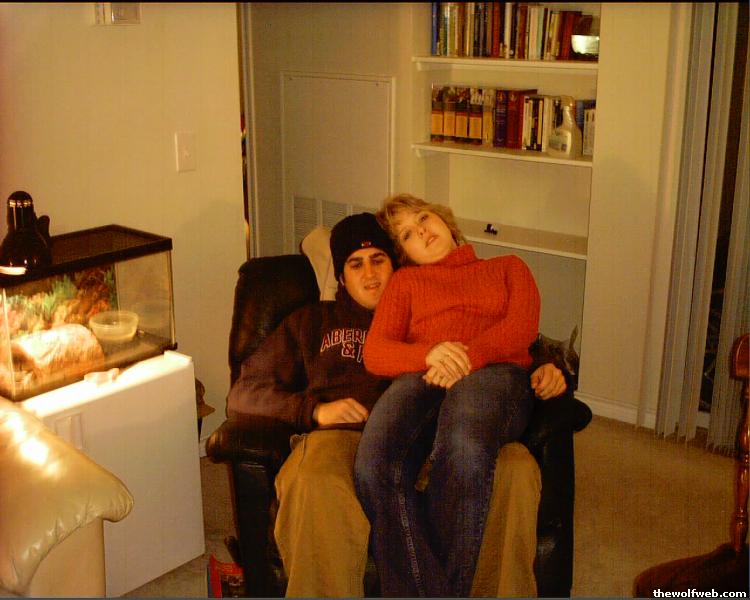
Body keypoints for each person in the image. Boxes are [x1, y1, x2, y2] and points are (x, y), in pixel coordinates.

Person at [227, 212, 565, 597]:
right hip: (343, 441)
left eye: (378, 260)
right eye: (355, 264)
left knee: (517, 469)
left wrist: (544, 367)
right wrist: (314, 411)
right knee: (314, 480)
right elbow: (243, 392)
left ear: (398, 264)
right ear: (341, 278)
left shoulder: (427, 303)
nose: (370, 274)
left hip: (447, 436)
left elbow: (494, 342)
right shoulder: (312, 322)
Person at [355, 193, 544, 597]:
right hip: (426, 373)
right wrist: (428, 354)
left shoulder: (508, 267)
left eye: (423, 218)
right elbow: (376, 352)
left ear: (446, 220)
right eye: (407, 234)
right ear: (404, 254)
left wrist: (466, 357)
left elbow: (521, 327)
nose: (422, 232)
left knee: (464, 440)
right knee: (374, 463)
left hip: (495, 374)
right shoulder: (406, 283)